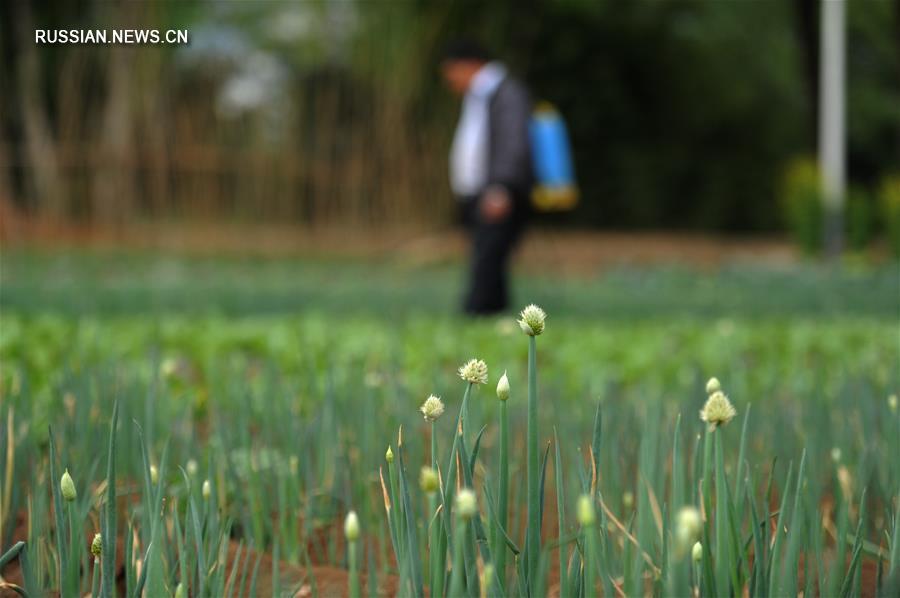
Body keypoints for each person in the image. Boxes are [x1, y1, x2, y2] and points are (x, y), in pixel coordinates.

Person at [441, 40, 533, 316]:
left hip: (497, 192)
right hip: (480, 192)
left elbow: (513, 142)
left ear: (469, 65)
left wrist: (500, 187)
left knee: (488, 258)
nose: (450, 81)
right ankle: (495, 318)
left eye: (451, 73)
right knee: (488, 258)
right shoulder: (480, 94)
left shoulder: (505, 93)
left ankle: (477, 315)